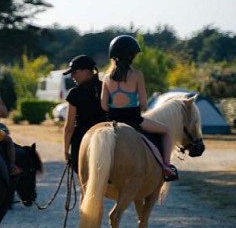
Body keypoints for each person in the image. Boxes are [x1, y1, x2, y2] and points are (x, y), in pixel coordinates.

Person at [100, 35, 179, 181]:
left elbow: (104, 105)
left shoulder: (106, 78)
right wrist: (137, 108)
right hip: (134, 121)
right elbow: (143, 103)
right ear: (130, 56)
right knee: (167, 130)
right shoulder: (137, 75)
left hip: (113, 122)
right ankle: (167, 166)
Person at [62, 55, 107, 177]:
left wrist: (66, 150)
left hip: (82, 139)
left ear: (87, 72)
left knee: (85, 190)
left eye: (75, 72)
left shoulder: (74, 93)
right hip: (106, 135)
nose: (72, 76)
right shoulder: (106, 88)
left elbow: (69, 126)